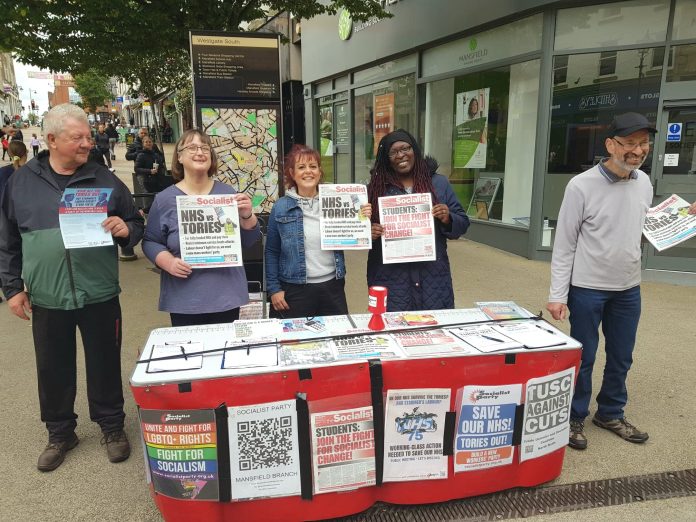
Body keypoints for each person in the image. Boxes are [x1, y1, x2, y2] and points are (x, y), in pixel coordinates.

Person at [0, 103, 144, 471]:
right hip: (47, 295)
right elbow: (8, 240)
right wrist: (13, 287)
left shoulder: (104, 178)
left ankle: (112, 425)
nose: (87, 142)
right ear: (50, 140)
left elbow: (133, 221)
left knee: (105, 360)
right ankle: (61, 431)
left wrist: (127, 231)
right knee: (52, 366)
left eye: (88, 135)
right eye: (77, 137)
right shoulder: (20, 182)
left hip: (99, 292)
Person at [545, 112, 690, 451]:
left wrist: (683, 219)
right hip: (587, 288)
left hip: (628, 288)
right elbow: (565, 243)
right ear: (610, 145)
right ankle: (574, 417)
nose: (637, 151)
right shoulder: (580, 185)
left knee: (622, 356)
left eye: (643, 143)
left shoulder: (643, 182)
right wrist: (557, 294)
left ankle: (609, 412)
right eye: (629, 143)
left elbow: (645, 226)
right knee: (584, 356)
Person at [142, 129, 261, 327]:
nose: (200, 152)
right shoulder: (164, 200)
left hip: (226, 296)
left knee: (225, 355)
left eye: (205, 147)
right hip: (185, 299)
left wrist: (247, 215)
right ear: (179, 156)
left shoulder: (227, 194)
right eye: (192, 147)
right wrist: (167, 261)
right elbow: (150, 241)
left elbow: (248, 242)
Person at [367, 129, 469, 312]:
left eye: (405, 148)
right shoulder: (376, 188)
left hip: (432, 277)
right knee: (394, 333)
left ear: (415, 150)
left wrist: (448, 218)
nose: (401, 155)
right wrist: (369, 232)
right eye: (393, 152)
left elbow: (462, 223)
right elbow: (356, 230)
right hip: (391, 279)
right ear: (386, 158)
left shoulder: (438, 183)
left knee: (435, 332)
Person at [265, 144, 371, 319]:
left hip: (332, 286)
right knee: (296, 341)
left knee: (336, 336)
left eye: (313, 166)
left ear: (320, 172)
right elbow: (272, 251)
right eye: (301, 167)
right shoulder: (281, 207)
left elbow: (355, 234)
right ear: (292, 174)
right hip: (295, 288)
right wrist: (274, 289)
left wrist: (362, 216)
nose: (308, 171)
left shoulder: (337, 201)